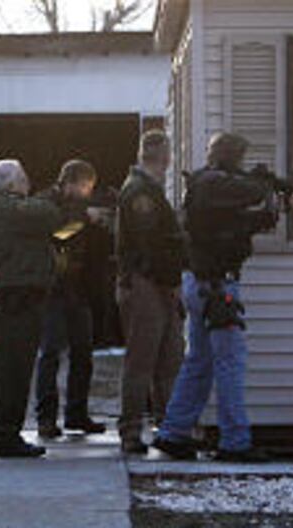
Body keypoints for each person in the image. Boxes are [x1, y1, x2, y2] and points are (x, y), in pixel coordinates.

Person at [153, 132, 281, 462]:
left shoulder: (206, 187)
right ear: (229, 156)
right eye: (239, 157)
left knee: (200, 362)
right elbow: (248, 192)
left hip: (203, 284)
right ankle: (234, 442)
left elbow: (226, 226)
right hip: (216, 287)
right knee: (230, 363)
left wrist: (262, 217)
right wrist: (263, 184)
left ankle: (173, 433)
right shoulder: (212, 183)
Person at [0, 159, 62, 458]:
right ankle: (5, 437)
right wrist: (55, 195)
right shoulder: (5, 209)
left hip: (7, 302)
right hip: (11, 304)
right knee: (13, 371)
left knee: (5, 372)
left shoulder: (0, 210)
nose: (28, 184)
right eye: (23, 179)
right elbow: (49, 215)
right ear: (10, 185)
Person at [116, 129, 187, 455]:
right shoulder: (140, 193)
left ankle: (168, 428)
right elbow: (149, 247)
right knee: (142, 361)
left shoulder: (146, 190)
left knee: (168, 359)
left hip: (157, 283)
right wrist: (171, 280)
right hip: (147, 283)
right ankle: (131, 430)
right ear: (165, 157)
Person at [35, 159, 107, 438]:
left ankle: (76, 414)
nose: (88, 192)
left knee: (83, 352)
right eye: (86, 187)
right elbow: (57, 234)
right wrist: (86, 218)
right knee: (50, 353)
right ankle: (46, 418)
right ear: (71, 183)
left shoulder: (76, 207)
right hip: (52, 289)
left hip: (76, 288)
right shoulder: (44, 203)